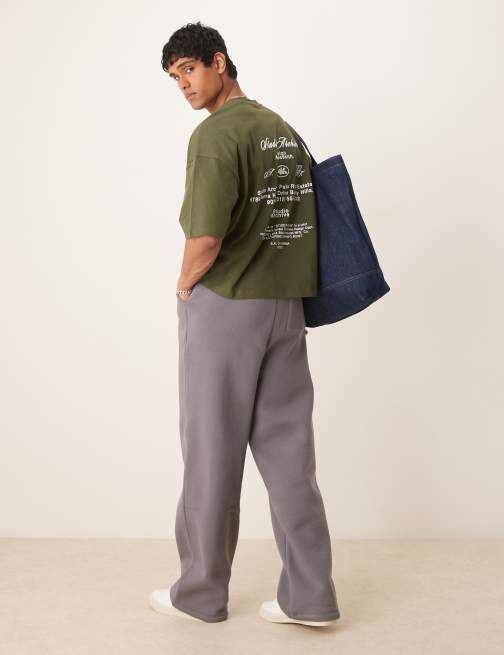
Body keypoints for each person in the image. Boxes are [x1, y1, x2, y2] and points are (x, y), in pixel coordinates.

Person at [149, 21, 340, 627]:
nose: (184, 84)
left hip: (227, 306)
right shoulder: (279, 129)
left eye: (189, 69)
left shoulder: (215, 136)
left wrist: (184, 286)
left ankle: (200, 594)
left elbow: (205, 238)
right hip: (286, 307)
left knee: (211, 451)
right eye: (174, 76)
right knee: (290, 456)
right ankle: (310, 597)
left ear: (219, 62)